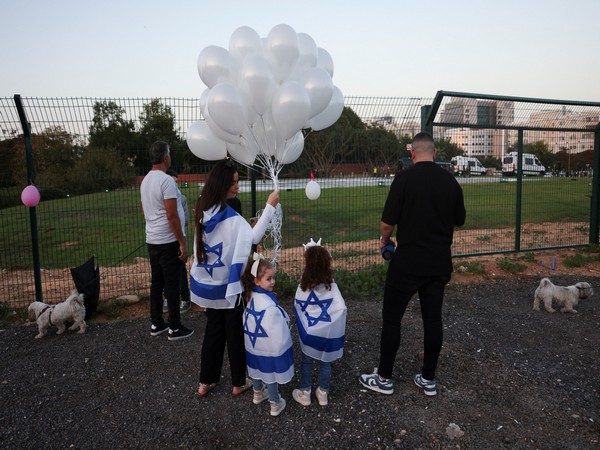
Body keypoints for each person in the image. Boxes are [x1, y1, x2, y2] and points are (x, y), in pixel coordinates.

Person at [359, 132, 466, 397]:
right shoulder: (451, 182)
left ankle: (384, 377)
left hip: (407, 263)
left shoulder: (404, 179)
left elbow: (387, 223)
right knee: (433, 320)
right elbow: (460, 219)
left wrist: (385, 240)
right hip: (439, 263)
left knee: (392, 319)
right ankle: (428, 378)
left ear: (412, 154)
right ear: (435, 153)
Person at [190, 159, 279, 398]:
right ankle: (239, 382)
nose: (237, 186)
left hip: (210, 284)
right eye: (234, 182)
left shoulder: (202, 207)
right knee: (235, 332)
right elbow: (252, 237)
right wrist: (270, 207)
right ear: (223, 184)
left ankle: (205, 381)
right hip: (229, 285)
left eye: (239, 182)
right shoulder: (230, 215)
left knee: (213, 331)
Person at [140, 141, 194, 341]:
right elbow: (172, 216)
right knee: (171, 284)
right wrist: (181, 242)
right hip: (167, 240)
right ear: (165, 158)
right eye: (169, 154)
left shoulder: (145, 181)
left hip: (152, 239)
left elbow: (144, 211)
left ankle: (157, 323)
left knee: (157, 283)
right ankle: (174, 327)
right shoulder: (166, 181)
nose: (170, 157)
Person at [292, 239, 347, 407]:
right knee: (326, 362)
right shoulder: (331, 285)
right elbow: (341, 307)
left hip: (310, 334)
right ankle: (323, 393)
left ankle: (305, 392)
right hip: (327, 335)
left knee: (306, 361)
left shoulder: (304, 284)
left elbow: (298, 305)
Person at [241, 254, 293, 416]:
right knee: (270, 373)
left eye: (273, 278)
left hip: (254, 343)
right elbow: (276, 326)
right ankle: (275, 403)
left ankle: (258, 392)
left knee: (256, 367)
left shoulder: (252, 298)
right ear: (257, 281)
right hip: (267, 345)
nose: (273, 282)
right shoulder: (268, 304)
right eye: (268, 279)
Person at [162, 169, 191, 314]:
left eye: (176, 182)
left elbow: (185, 220)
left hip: (179, 238)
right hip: (165, 240)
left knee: (180, 270)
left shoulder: (182, 199)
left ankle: (185, 299)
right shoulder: (163, 198)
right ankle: (167, 298)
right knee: (166, 271)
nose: (174, 185)